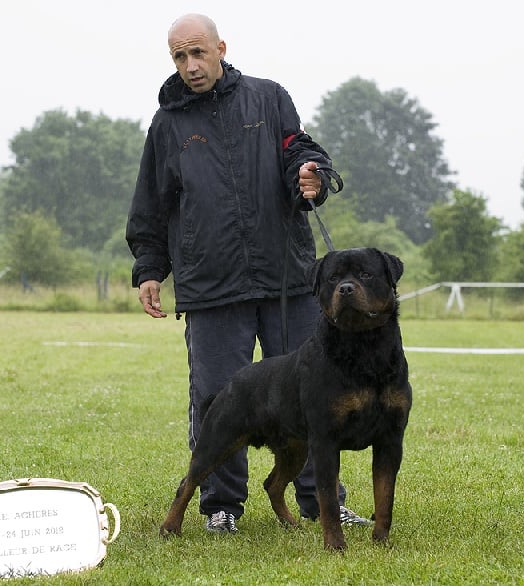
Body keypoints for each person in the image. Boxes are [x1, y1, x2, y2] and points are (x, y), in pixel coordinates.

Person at [126, 13, 370, 534]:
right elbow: (152, 203)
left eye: (198, 53)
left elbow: (298, 152)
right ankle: (220, 507)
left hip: (288, 277)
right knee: (216, 399)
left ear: (220, 48)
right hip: (211, 285)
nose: (190, 65)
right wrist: (149, 267)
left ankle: (320, 502)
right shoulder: (167, 124)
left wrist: (311, 175)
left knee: (315, 396)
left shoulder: (269, 98)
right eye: (179, 56)